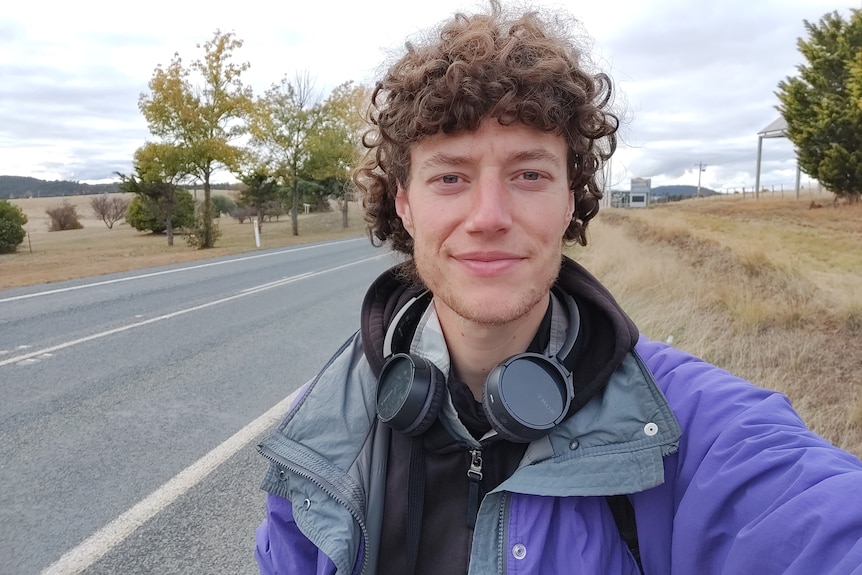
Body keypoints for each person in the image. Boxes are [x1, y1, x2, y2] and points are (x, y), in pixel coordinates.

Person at [254, 2, 862, 573]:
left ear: (569, 200)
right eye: (449, 177)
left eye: (528, 174)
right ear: (405, 206)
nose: (489, 216)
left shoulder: (695, 428)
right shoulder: (325, 430)